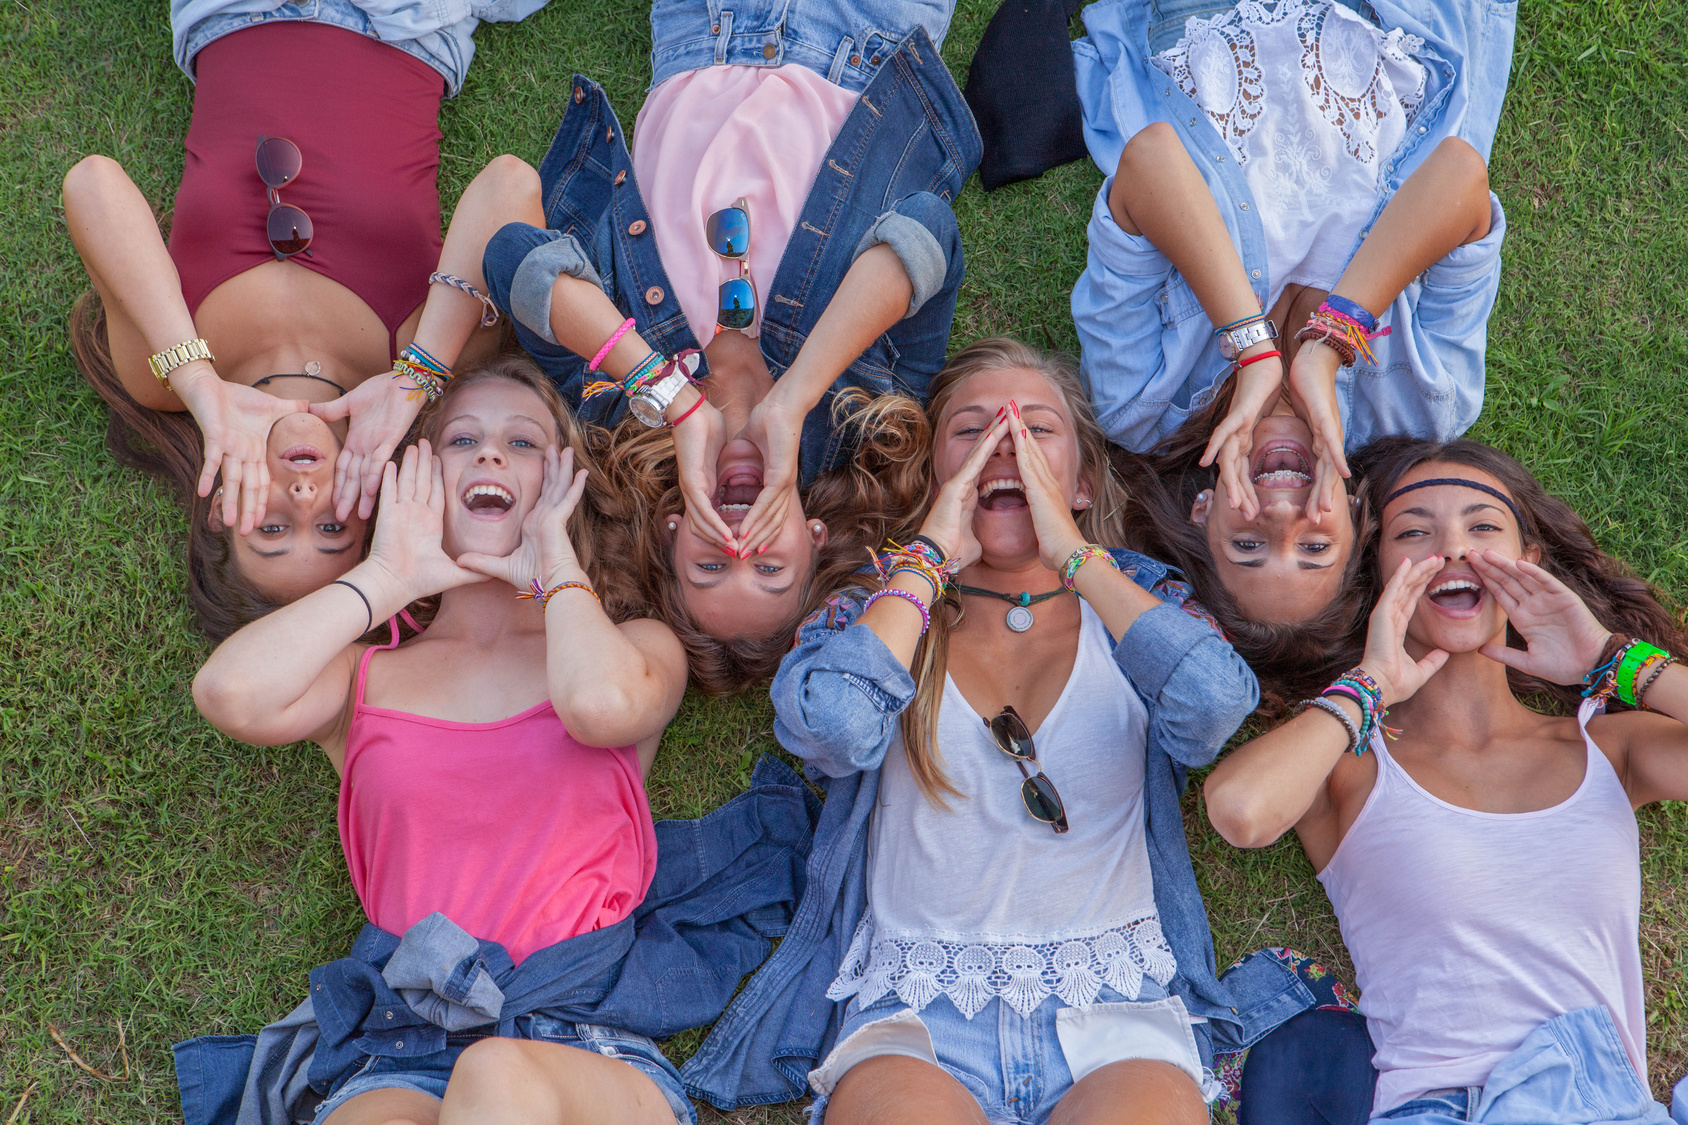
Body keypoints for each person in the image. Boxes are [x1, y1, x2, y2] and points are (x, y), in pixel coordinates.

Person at [675, 338, 1327, 1122]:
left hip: (1117, 1009)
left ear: (1082, 481)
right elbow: (833, 732)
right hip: (916, 1016)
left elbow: (1213, 705)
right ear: (939, 476)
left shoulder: (1138, 603)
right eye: (973, 431)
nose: (1004, 444)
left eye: (1035, 430)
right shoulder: (875, 611)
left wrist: (1077, 557)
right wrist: (927, 559)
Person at [187, 357, 710, 1123]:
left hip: (585, 1044)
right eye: (462, 439)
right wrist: (388, 575)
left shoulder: (634, 646)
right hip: (408, 1042)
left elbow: (599, 706)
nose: (491, 454)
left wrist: (553, 562)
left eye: (524, 444)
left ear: (565, 485)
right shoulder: (366, 677)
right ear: (416, 480)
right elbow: (229, 693)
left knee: (497, 1078)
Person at [445, 0, 979, 691]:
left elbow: (518, 258)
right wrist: (793, 400)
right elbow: (926, 233)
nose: (737, 540)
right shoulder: (870, 412)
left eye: (710, 566)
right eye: (768, 567)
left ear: (671, 534)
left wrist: (675, 403)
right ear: (813, 541)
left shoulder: (612, 411)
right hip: (864, 38)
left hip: (704, 26)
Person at [1204, 436, 1688, 1123]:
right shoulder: (1353, 765)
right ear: (1379, 573)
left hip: (1605, 1105)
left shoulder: (1607, 746)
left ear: (1529, 563)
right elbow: (1239, 810)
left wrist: (1614, 658)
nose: (1454, 548)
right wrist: (1367, 686)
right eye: (1414, 532)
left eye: (1482, 526)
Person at [62, 0, 546, 636]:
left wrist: (200, 383)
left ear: (219, 516)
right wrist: (415, 380)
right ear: (371, 507)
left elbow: (92, 185)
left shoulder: (163, 377)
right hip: (407, 22)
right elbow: (510, 186)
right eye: (331, 527)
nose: (302, 498)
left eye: (271, 529)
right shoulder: (422, 361)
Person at [1068, 0, 1514, 649]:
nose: (1283, 515)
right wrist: (1329, 345)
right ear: (1360, 521)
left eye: (1248, 544)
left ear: (1203, 514)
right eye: (1314, 545)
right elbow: (1461, 178)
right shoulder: (1425, 407)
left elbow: (1149, 162)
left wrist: (1254, 351)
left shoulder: (1138, 405)